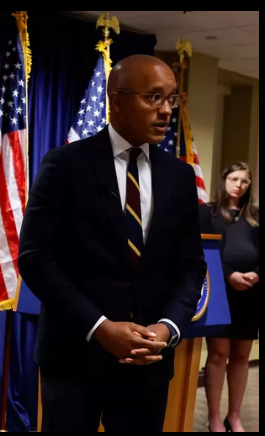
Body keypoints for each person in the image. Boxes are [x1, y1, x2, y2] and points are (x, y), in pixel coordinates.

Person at [18, 55, 207, 432]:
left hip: (148, 366)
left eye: (171, 98)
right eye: (154, 97)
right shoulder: (65, 164)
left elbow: (191, 265)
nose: (166, 110)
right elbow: (36, 257)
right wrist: (100, 327)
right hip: (74, 361)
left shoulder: (180, 176)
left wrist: (168, 328)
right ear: (117, 100)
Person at [199, 163, 259, 433]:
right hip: (219, 291)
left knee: (241, 356)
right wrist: (229, 275)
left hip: (250, 293)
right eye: (234, 179)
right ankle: (214, 418)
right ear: (224, 180)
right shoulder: (207, 212)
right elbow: (202, 251)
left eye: (244, 181)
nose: (239, 185)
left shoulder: (256, 216)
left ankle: (234, 416)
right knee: (218, 354)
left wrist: (256, 274)